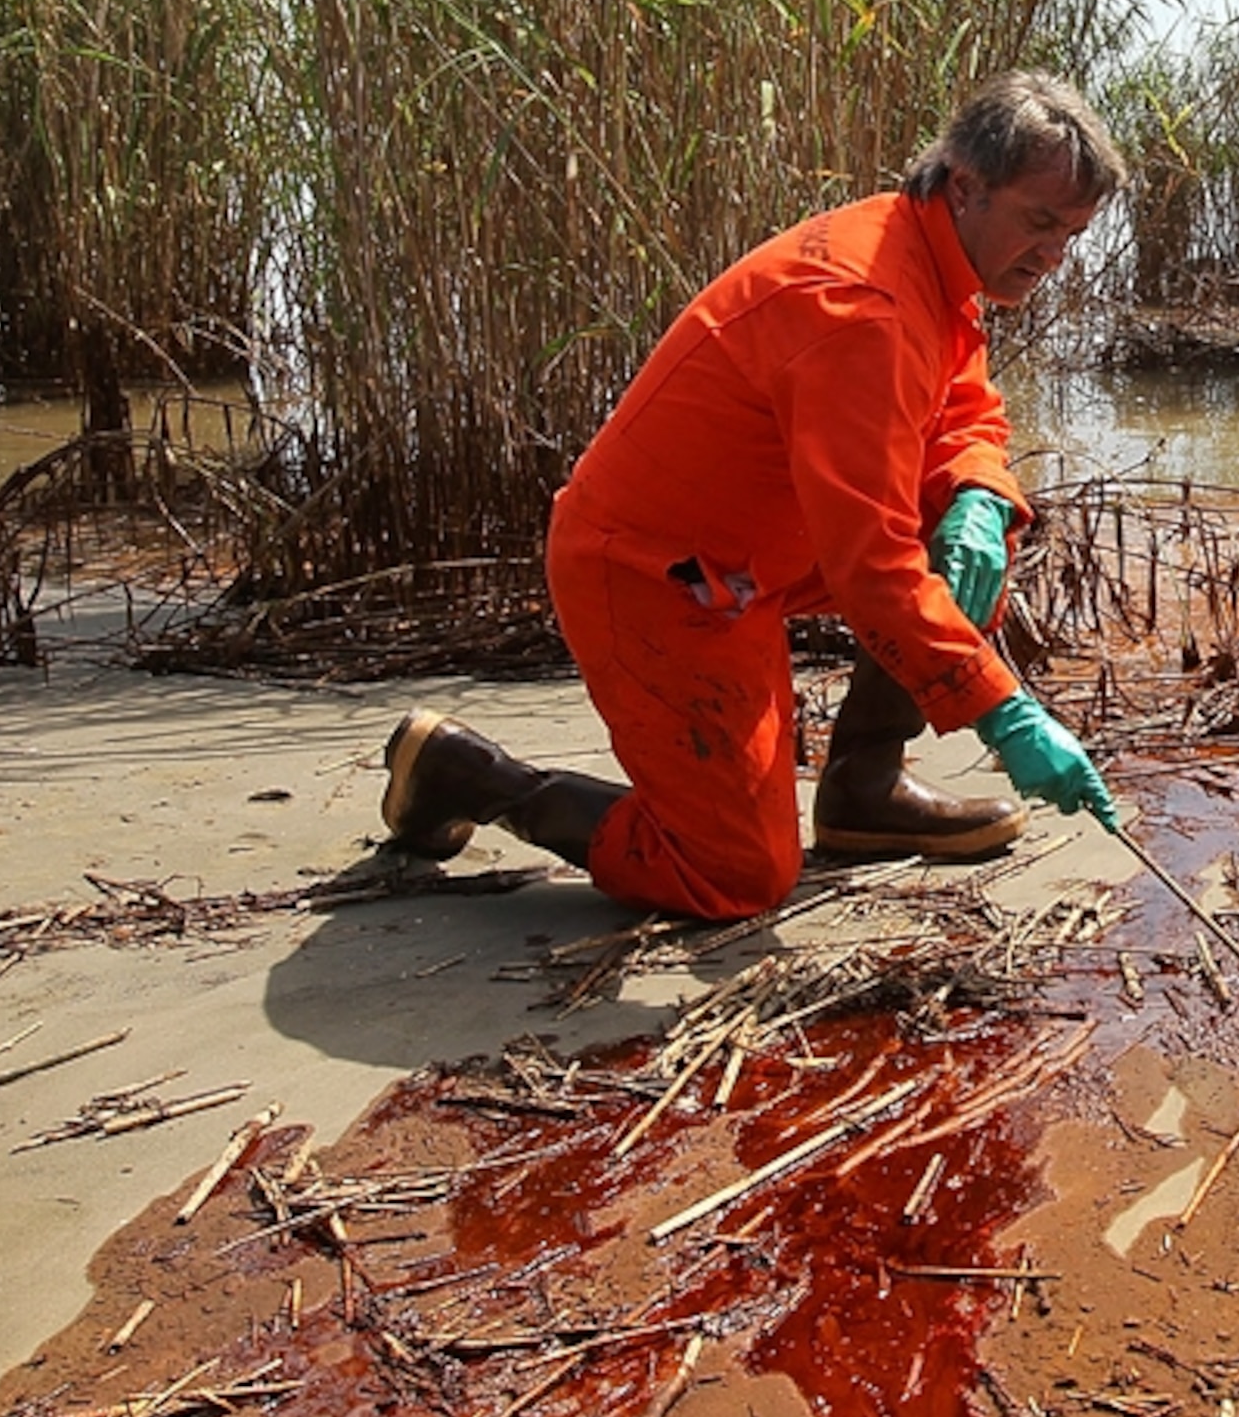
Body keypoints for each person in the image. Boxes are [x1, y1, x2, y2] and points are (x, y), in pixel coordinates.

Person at [370, 70, 1122, 921]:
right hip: (657, 574)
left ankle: (862, 794)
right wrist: (1002, 712)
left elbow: (964, 403)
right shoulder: (865, 305)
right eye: (1041, 223)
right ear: (966, 185)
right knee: (737, 877)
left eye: (1074, 234)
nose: (1055, 257)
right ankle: (470, 777)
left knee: (960, 529)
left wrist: (979, 495)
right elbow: (873, 566)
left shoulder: (934, 261)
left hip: (757, 547)